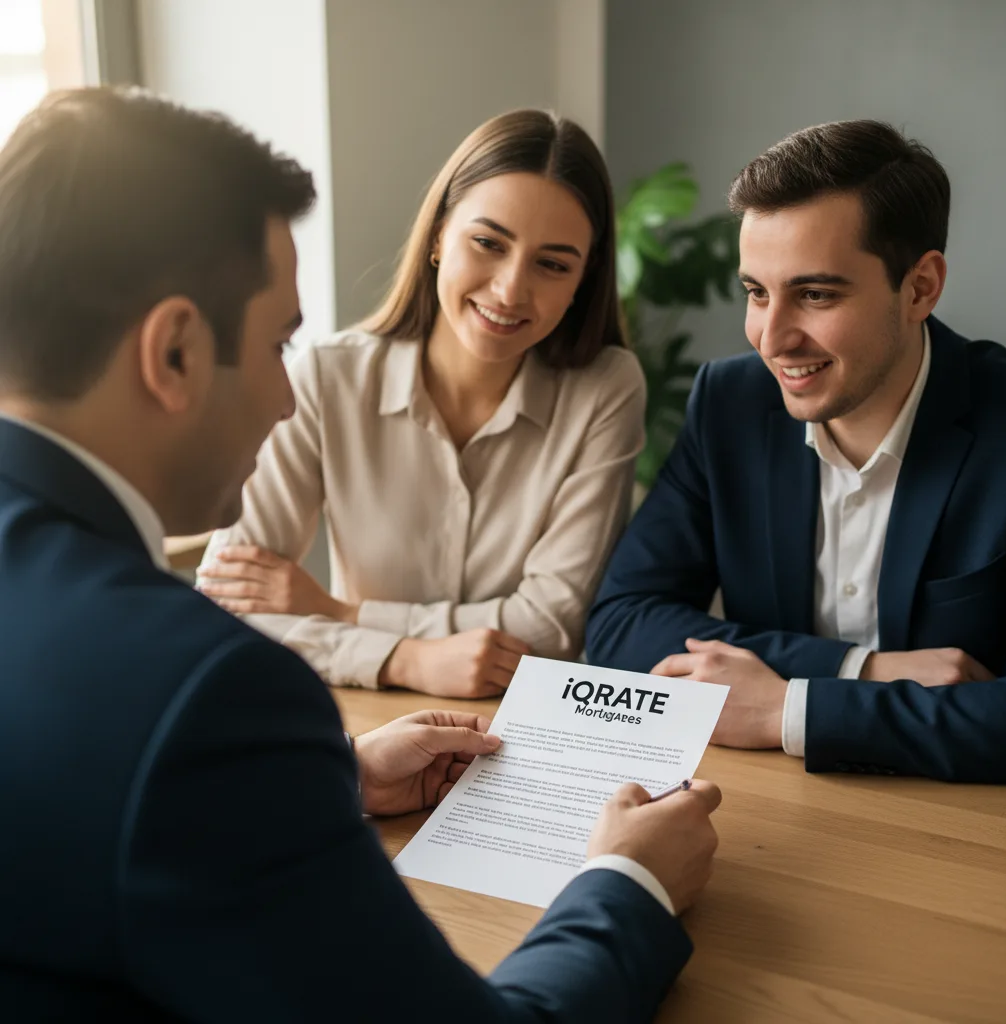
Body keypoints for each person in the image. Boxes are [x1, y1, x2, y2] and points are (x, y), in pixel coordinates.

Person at [0, 87, 722, 1022]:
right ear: (174, 351)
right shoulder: (215, 695)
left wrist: (336, 763)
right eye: (276, 345)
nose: (289, 402)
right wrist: (631, 883)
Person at [586, 120, 1006, 783]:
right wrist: (856, 671)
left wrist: (787, 709)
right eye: (757, 293)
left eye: (815, 294)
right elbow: (621, 624)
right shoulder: (729, 404)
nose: (771, 338)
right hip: (780, 804)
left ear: (920, 288)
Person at [195, 109, 645, 698]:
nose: (510, 289)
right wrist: (405, 659)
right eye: (488, 243)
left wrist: (344, 613)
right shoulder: (330, 377)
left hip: (520, 734)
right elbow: (228, 604)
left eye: (552, 264)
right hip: (359, 720)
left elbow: (551, 627)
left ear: (583, 279)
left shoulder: (605, 388)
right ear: (438, 237)